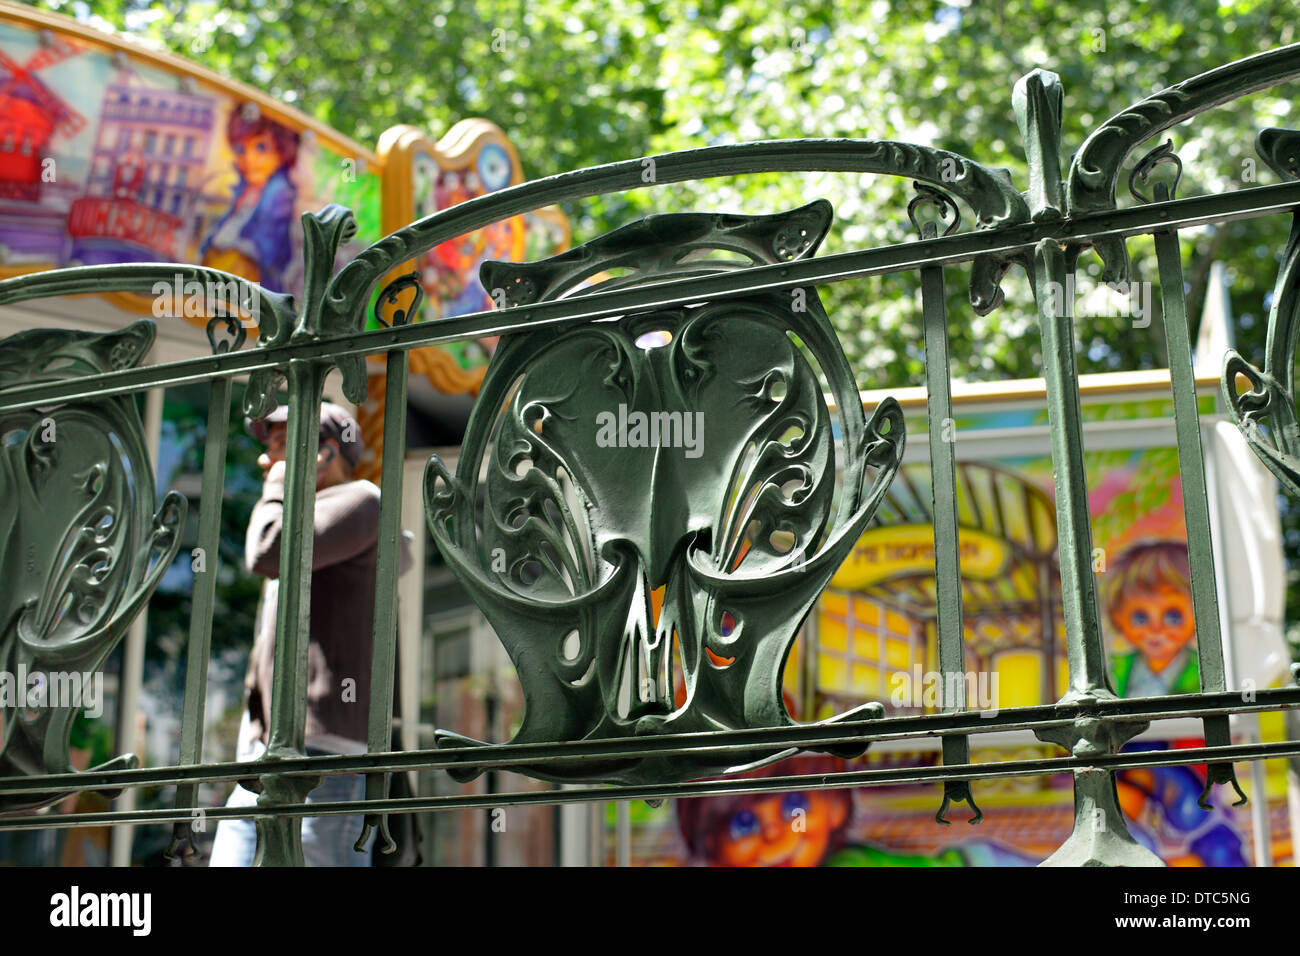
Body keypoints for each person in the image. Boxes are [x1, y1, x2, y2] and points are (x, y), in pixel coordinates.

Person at [209, 401, 406, 867]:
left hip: (323, 759)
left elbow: (267, 550)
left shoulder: (360, 501)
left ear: (323, 452)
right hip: (266, 756)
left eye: (279, 446)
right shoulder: (316, 515)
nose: (265, 459)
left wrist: (276, 489)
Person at [200, 102, 299, 292]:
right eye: (240, 150)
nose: (248, 159)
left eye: (261, 148)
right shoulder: (245, 188)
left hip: (247, 279)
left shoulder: (279, 192)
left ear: (282, 151)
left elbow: (268, 245)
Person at [1103, 540, 1199, 697]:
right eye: (1140, 618)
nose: (1156, 629)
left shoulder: (1205, 671)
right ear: (1118, 616)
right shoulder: (1112, 670)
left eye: (1173, 617)